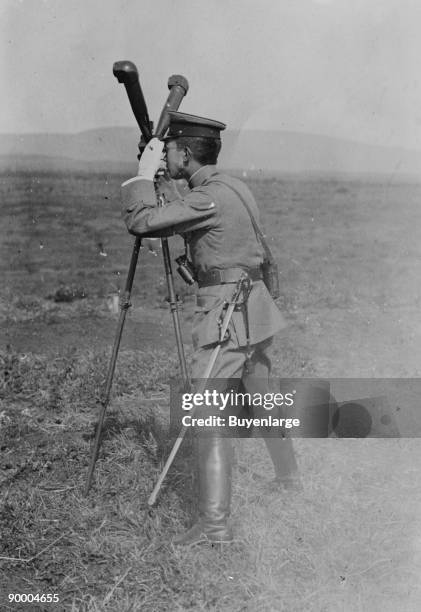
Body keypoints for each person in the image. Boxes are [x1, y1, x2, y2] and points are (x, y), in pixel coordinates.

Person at [121, 112, 300, 546]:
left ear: (184, 153)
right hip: (253, 307)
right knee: (260, 391)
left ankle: (215, 527)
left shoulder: (206, 199)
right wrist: (166, 183)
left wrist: (142, 177)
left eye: (169, 150)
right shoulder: (230, 187)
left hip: (226, 312)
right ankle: (289, 477)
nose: (165, 154)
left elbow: (142, 222)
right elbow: (193, 217)